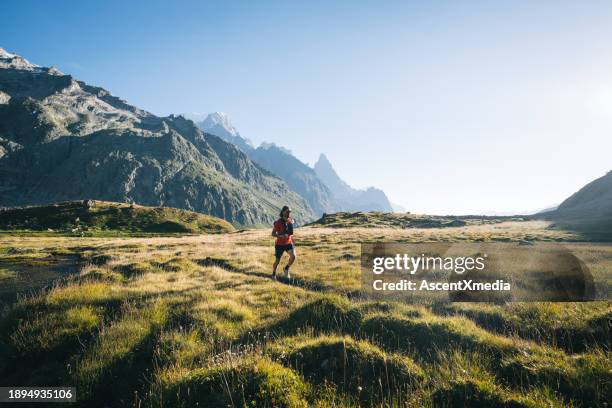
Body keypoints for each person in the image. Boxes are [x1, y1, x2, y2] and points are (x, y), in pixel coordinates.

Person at [272, 205, 295, 279]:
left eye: (290, 212)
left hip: (288, 243)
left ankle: (286, 268)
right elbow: (273, 234)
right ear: (283, 212)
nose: (289, 213)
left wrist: (292, 240)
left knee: (293, 256)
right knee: (277, 261)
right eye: (287, 212)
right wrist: (280, 236)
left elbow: (290, 232)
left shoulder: (290, 220)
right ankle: (273, 273)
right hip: (279, 244)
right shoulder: (278, 222)